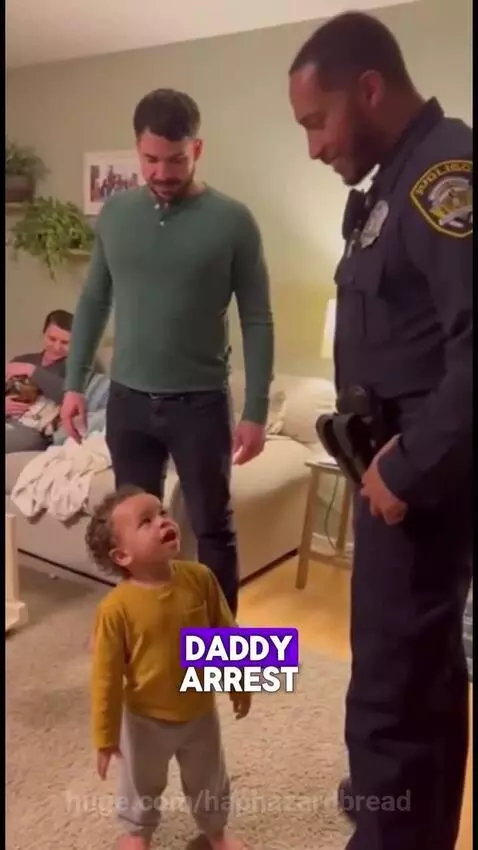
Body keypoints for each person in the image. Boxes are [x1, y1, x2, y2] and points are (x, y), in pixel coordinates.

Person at [288, 12, 472, 850]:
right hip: (390, 470)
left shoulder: (443, 174)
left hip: (420, 481)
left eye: (316, 121)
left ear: (368, 90)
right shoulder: (389, 184)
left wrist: (407, 471)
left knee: (397, 692)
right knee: (401, 679)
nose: (314, 146)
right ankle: (393, 808)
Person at [61, 89, 274, 618]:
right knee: (131, 529)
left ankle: (225, 657)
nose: (162, 171)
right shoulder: (116, 214)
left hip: (199, 405)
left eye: (175, 159)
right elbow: (93, 300)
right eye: (150, 159)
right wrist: (72, 382)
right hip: (128, 402)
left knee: (212, 528)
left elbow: (257, 318)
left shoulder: (233, 221)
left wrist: (255, 411)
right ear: (138, 150)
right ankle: (143, 632)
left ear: (196, 149)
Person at [87, 485, 250, 850]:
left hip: (199, 711)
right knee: (141, 782)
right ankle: (136, 832)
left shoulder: (200, 578)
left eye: (161, 512)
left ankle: (216, 831)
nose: (162, 521)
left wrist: (240, 682)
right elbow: (106, 677)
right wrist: (104, 735)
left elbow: (226, 634)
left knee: (209, 778)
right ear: (122, 555)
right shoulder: (115, 608)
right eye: (146, 521)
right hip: (144, 718)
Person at [5, 309, 73, 452]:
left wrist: (32, 370)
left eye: (65, 342)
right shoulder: (22, 360)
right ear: (43, 334)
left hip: (33, 429)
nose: (56, 347)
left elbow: (68, 395)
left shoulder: (76, 368)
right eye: (52, 339)